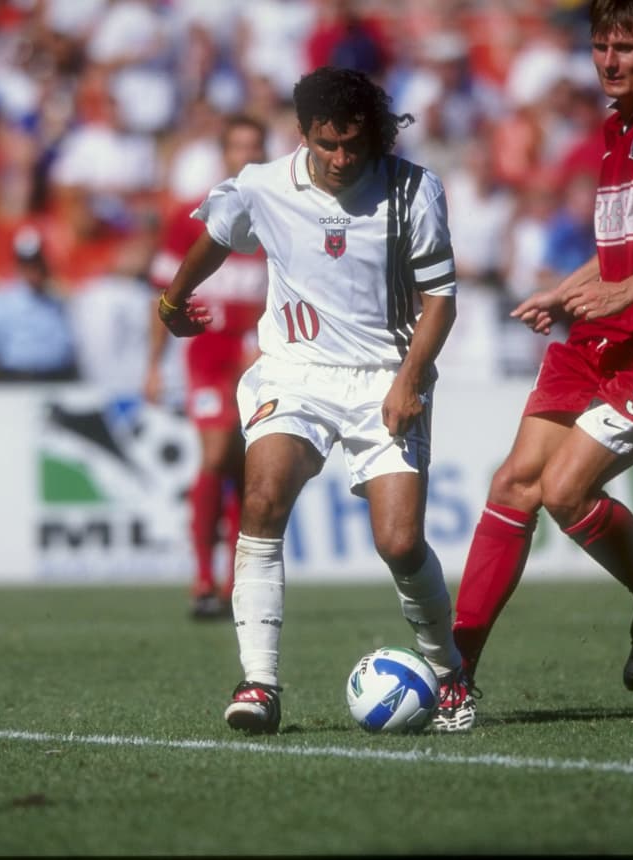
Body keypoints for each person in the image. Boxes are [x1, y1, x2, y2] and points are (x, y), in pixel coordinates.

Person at [448, 0, 633, 731]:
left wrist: (618, 292)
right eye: (600, 47)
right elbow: (632, 247)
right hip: (606, 325)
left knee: (564, 490)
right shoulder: (616, 126)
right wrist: (576, 290)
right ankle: (457, 672)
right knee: (514, 481)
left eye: (628, 48)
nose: (611, 61)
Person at [158, 66, 470, 734]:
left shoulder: (413, 188)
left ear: (374, 134)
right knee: (264, 493)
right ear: (303, 135)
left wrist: (410, 380)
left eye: (353, 144)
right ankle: (259, 685)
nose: (339, 158)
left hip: (385, 375)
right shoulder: (264, 183)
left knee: (399, 540)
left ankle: (447, 672)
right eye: (326, 144)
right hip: (295, 371)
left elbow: (440, 298)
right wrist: (173, 300)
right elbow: (215, 235)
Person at [146, 114, 269, 621]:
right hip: (208, 356)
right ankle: (200, 576)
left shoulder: (280, 214)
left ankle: (230, 583)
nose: (244, 155)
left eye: (253, 146)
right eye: (236, 146)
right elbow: (165, 292)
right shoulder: (191, 216)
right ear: (224, 154)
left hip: (260, 358)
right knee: (216, 454)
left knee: (247, 469)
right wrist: (152, 364)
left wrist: (267, 344)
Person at [0, 227, 79, 383]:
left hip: (57, 379)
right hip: (18, 382)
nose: (32, 269)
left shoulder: (58, 302)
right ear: (18, 265)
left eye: (37, 262)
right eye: (26, 263)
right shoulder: (0, 301)